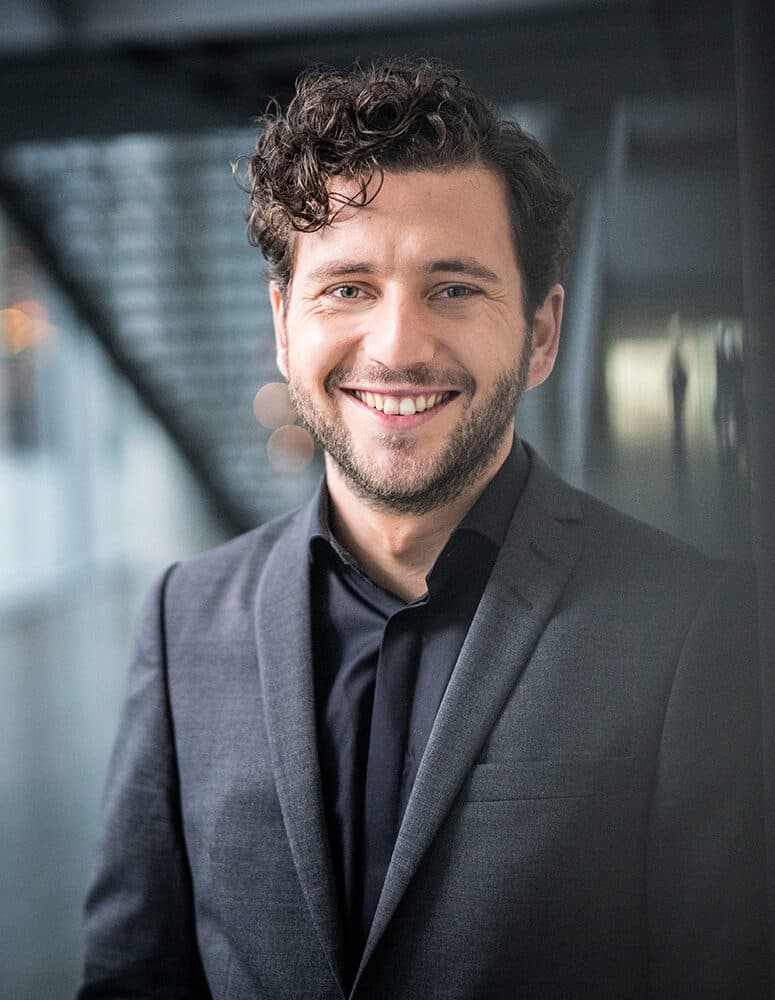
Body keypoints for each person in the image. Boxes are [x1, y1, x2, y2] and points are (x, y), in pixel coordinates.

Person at [77, 59, 769, 999]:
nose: (398, 345)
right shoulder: (182, 617)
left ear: (539, 334)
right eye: (347, 287)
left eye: (453, 288)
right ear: (284, 326)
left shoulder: (691, 626)